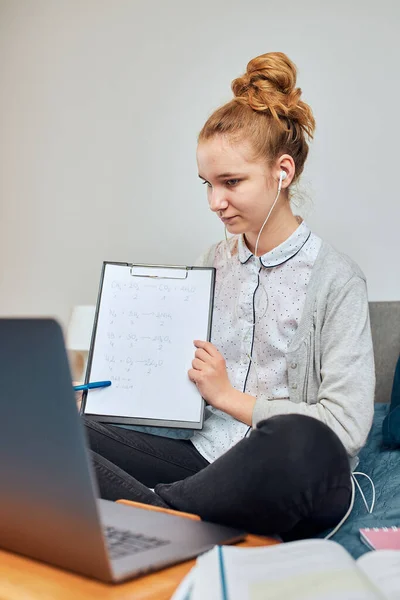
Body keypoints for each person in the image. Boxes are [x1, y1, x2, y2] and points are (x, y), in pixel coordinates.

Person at [82, 51, 375, 541]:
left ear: (283, 172)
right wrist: (133, 373)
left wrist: (230, 397)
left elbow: (345, 427)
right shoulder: (214, 260)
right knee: (60, 427)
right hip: (206, 459)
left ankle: (146, 510)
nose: (215, 201)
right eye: (208, 184)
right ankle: (168, 514)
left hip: (284, 464)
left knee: (304, 440)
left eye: (231, 182)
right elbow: (191, 386)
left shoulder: (338, 280)